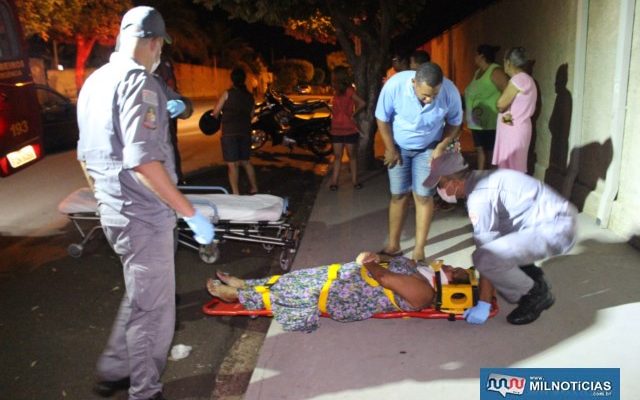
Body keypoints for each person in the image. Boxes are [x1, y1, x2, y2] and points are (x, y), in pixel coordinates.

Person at [77, 6, 214, 400]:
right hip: (144, 216)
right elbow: (143, 162)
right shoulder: (140, 83)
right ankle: (144, 391)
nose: (159, 55)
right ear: (153, 42)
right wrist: (190, 214)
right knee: (154, 313)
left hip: (115, 212)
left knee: (141, 296)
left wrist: (107, 199)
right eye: (160, 47)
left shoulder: (96, 81)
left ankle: (114, 369)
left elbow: (84, 154)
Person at [423, 151, 577, 325]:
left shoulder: (479, 198)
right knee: (501, 235)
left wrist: (483, 302)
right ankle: (534, 277)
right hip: (553, 219)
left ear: (455, 182)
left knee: (485, 259)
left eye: (441, 185)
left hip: (557, 230)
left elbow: (487, 250)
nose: (439, 191)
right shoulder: (481, 178)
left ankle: (536, 294)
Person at [206, 252, 492, 331]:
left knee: (302, 290)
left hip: (350, 294)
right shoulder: (425, 273)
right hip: (353, 278)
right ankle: (248, 285)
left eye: (456, 273)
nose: (452, 267)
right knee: (299, 277)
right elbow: (387, 259)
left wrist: (369, 261)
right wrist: (375, 254)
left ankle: (242, 297)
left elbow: (385, 277)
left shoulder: (424, 293)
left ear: (452, 287)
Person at [375, 62, 463, 261]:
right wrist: (389, 148)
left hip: (429, 147)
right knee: (398, 195)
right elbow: (382, 118)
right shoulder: (394, 86)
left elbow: (455, 122)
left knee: (423, 196)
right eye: (425, 95)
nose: (430, 100)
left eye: (434, 94)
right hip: (399, 147)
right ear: (414, 82)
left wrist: (442, 146)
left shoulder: (450, 92)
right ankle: (393, 246)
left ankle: (419, 250)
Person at [212, 67, 258, 195]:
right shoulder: (250, 96)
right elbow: (251, 115)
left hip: (229, 133)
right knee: (246, 162)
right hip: (244, 132)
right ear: (244, 80)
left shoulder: (228, 93)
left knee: (232, 165)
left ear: (232, 79)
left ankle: (236, 193)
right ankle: (254, 187)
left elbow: (215, 112)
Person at [463, 44, 509, 170]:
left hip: (490, 120)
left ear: (482, 56)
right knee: (480, 150)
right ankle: (481, 179)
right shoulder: (478, 72)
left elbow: (508, 91)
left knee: (491, 152)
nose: (474, 57)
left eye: (476, 55)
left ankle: (493, 179)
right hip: (476, 122)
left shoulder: (495, 71)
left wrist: (507, 117)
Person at [492, 46, 538, 172]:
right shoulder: (528, 80)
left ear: (508, 62)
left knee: (511, 170)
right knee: (514, 168)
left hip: (514, 130)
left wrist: (500, 108)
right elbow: (512, 109)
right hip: (517, 127)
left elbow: (501, 104)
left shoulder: (518, 79)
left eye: (504, 61)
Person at [155, 53, 193, 183]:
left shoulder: (157, 73)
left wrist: (182, 105)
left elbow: (185, 107)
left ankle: (177, 178)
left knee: (170, 143)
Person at [328, 66, 366, 191]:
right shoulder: (336, 91)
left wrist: (353, 114)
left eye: (333, 76)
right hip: (338, 129)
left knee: (351, 156)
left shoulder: (349, 90)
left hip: (347, 128)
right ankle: (335, 182)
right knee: (339, 156)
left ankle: (353, 181)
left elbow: (362, 103)